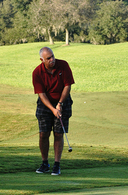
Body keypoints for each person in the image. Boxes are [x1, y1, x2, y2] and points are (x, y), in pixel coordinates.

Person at [32, 47, 74, 175]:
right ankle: (45, 163)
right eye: (48, 58)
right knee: (43, 134)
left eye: (53, 56)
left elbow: (67, 86)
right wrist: (52, 109)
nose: (52, 60)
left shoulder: (63, 65)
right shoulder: (37, 72)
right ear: (42, 59)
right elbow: (41, 94)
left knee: (58, 133)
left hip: (63, 101)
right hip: (45, 104)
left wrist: (60, 104)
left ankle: (57, 164)